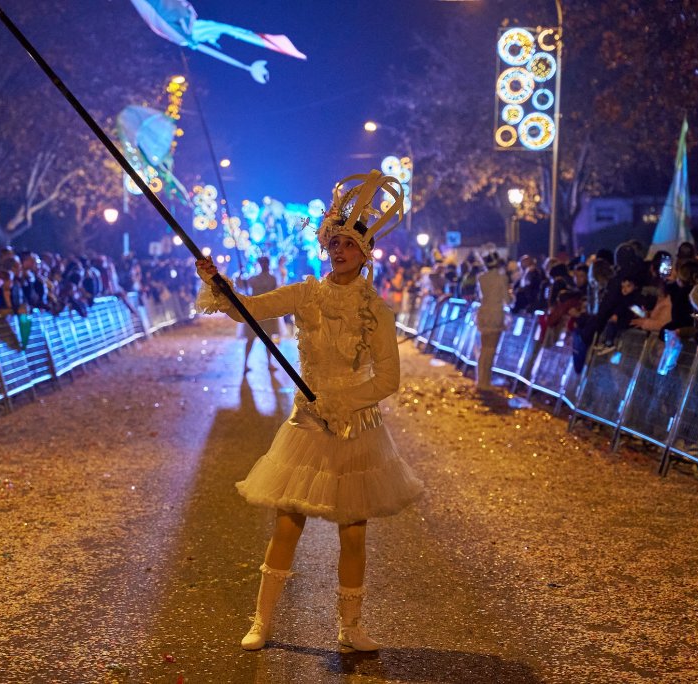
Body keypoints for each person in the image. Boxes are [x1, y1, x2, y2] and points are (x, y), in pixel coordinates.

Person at [195, 170, 423, 652]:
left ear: (365, 253)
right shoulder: (305, 294)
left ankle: (350, 627)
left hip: (356, 426)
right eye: (334, 242)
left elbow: (388, 379)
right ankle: (262, 622)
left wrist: (341, 403)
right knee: (287, 522)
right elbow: (248, 309)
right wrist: (221, 284)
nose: (339, 250)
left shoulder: (376, 311)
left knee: (354, 530)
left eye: (349, 244)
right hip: (307, 423)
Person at [475, 253, 513, 391]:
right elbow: (507, 300)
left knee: (484, 349)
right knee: (491, 349)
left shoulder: (481, 278)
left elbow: (480, 296)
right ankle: (486, 381)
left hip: (484, 313)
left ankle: (480, 379)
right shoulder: (501, 278)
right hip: (496, 314)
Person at [238, 256, 282, 372]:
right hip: (255, 311)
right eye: (262, 263)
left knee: (269, 339)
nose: (264, 265)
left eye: (266, 263)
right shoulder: (254, 279)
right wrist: (240, 273)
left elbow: (275, 294)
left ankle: (269, 363)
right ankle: (245, 364)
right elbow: (241, 285)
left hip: (268, 311)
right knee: (251, 338)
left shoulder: (272, 278)